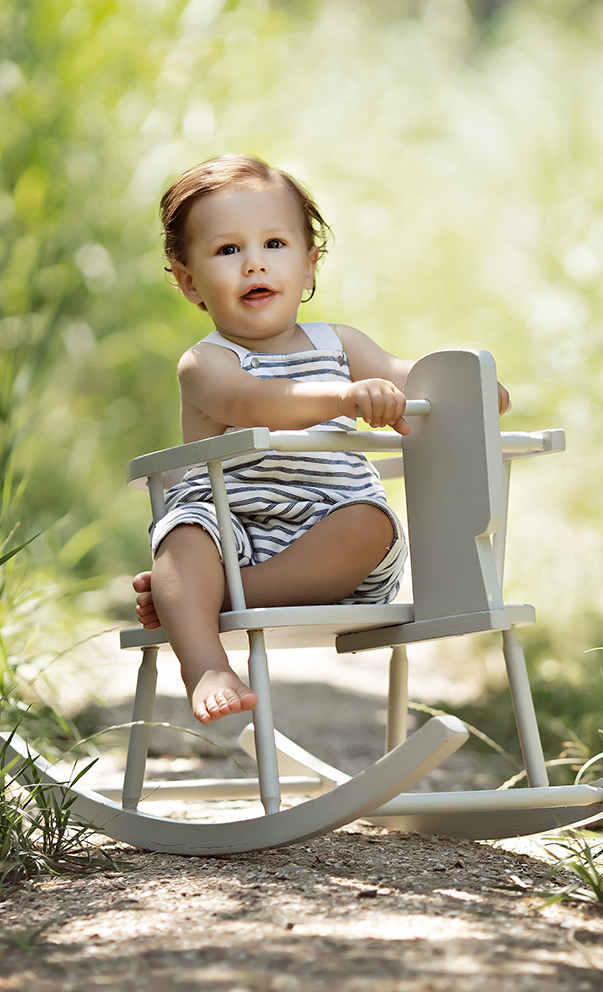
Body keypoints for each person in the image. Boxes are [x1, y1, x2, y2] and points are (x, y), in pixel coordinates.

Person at [130, 155, 506, 724]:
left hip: (332, 536)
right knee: (185, 535)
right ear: (189, 282)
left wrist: (468, 392)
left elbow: (411, 378)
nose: (254, 265)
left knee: (371, 521)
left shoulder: (342, 342)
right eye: (228, 251)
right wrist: (342, 398)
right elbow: (252, 403)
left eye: (275, 244)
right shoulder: (206, 363)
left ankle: (199, 599)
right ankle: (204, 661)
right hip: (234, 527)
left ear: (309, 265)